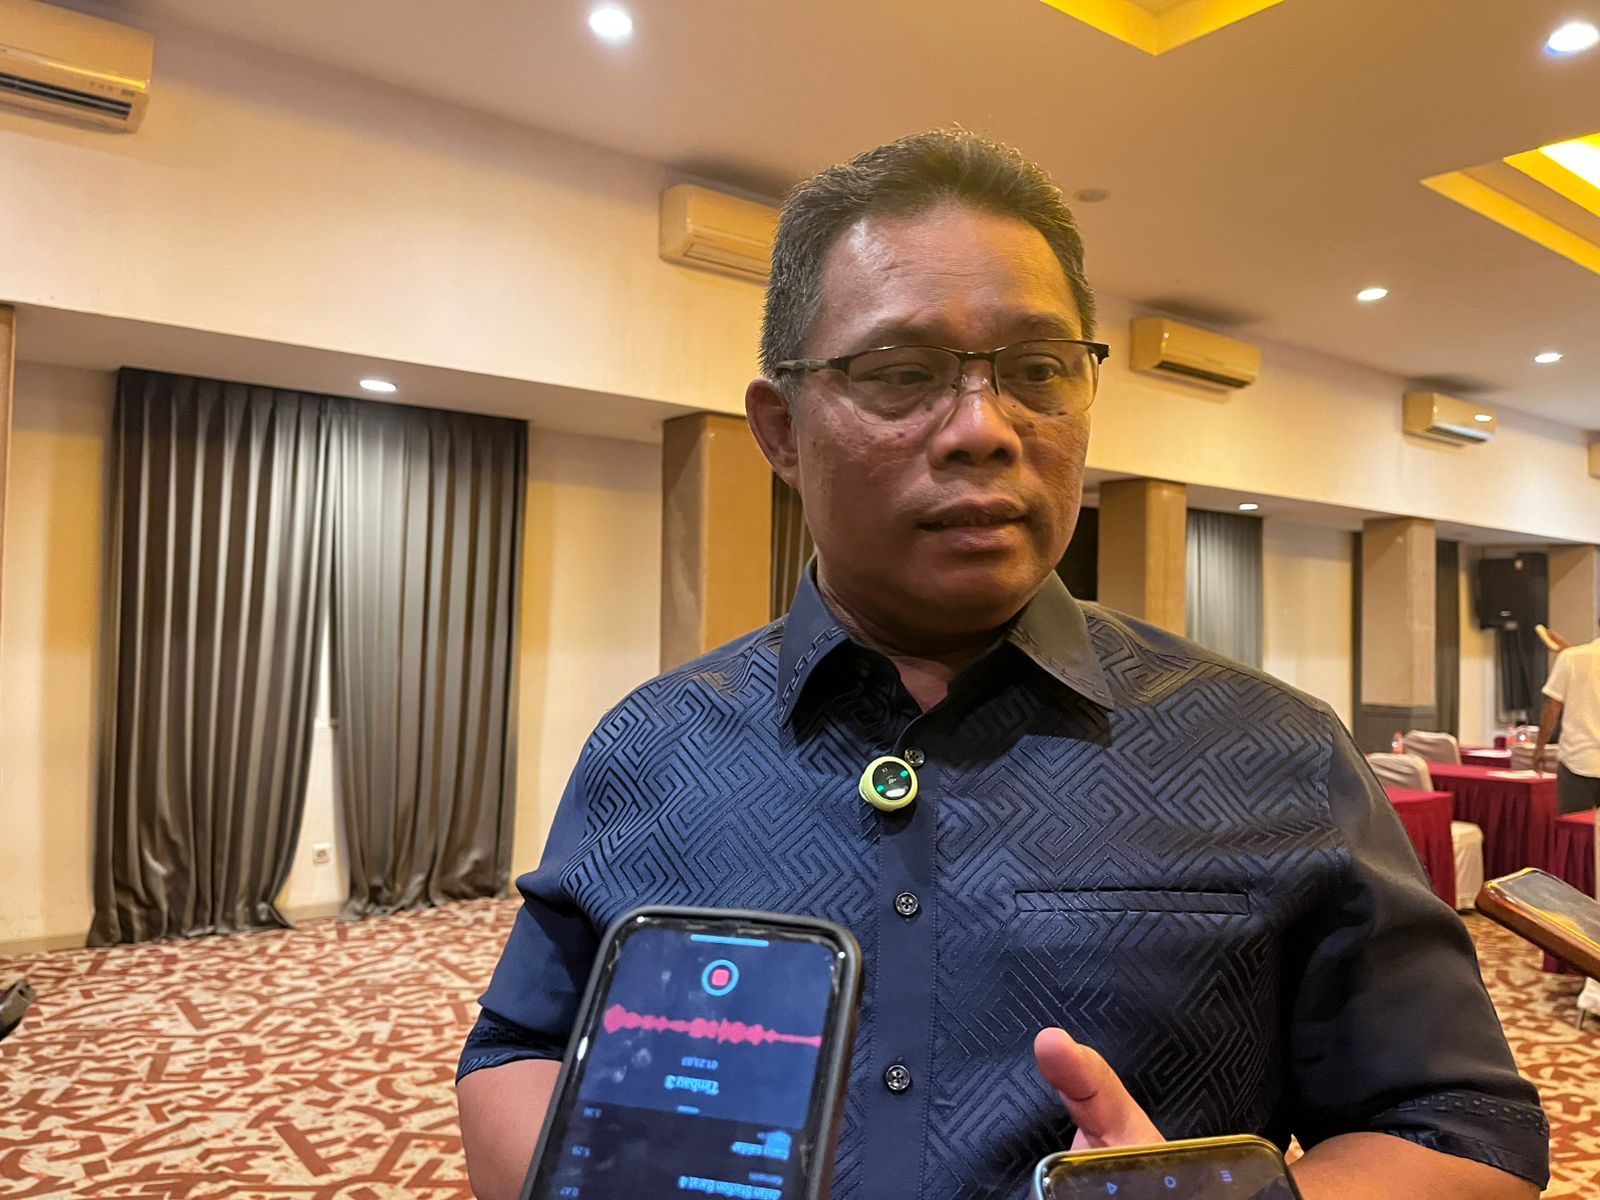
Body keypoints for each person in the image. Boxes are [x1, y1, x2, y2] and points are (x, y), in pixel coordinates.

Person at [456, 132, 1547, 1200]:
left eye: (1036, 371)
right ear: (781, 431)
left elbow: (1463, 1129)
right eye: (900, 373)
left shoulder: (1277, 752)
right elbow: (518, 1052)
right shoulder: (652, 745)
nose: (983, 428)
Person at [1536, 620, 1600, 812]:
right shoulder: (1571, 656)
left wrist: (1539, 748)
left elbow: (1552, 708)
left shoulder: (1572, 658)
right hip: (1580, 760)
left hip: (1579, 760)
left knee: (1574, 827)